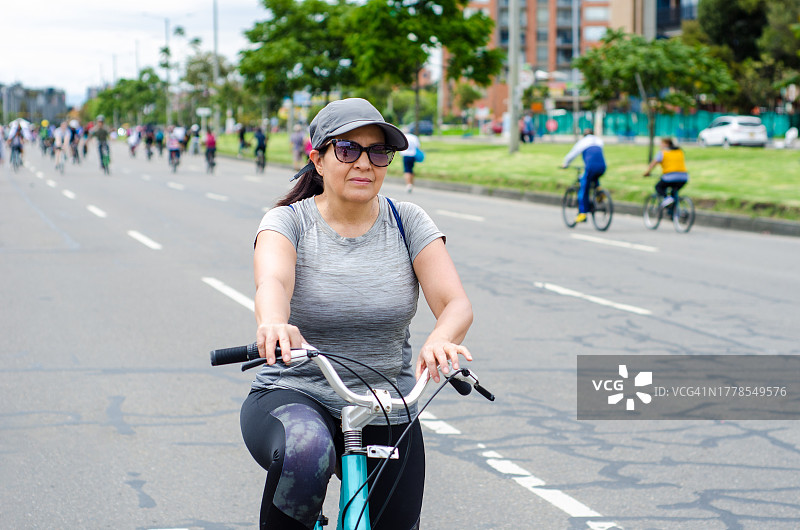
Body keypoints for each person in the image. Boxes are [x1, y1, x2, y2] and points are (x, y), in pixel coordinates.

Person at [240, 98, 474, 530]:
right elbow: (272, 282)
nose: (365, 163)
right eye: (348, 149)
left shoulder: (407, 221)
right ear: (318, 159)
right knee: (306, 451)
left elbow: (455, 303)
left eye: (378, 151)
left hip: (385, 402)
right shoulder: (288, 221)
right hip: (295, 392)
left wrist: (442, 336)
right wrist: (272, 321)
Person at [561, 128, 607, 224]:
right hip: (602, 166)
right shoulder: (598, 140)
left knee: (583, 188)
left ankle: (582, 213)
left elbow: (572, 154)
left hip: (590, 167)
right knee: (594, 177)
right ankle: (598, 190)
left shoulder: (583, 142)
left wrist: (565, 164)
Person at [643, 137, 689, 208]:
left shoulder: (663, 152)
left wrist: (647, 172)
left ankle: (667, 199)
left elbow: (654, 163)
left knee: (658, 187)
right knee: (674, 192)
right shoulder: (679, 151)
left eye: (661, 144)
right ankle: (673, 211)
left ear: (666, 144)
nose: (660, 146)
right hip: (683, 177)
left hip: (669, 176)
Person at [398, 127, 421, 192]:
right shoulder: (414, 137)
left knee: (406, 170)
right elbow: (418, 146)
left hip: (406, 155)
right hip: (413, 155)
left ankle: (408, 184)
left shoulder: (403, 137)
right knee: (411, 170)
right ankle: (411, 183)